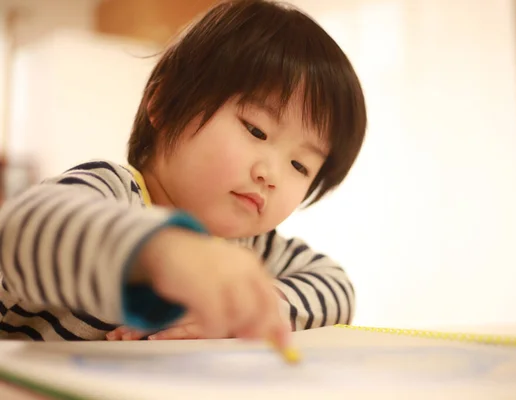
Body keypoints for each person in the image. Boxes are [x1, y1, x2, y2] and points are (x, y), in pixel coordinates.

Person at [0, 0, 366, 346]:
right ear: (163, 104)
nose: (271, 175)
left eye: (300, 165)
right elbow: (20, 230)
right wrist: (161, 252)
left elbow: (337, 288)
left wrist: (261, 305)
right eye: (256, 129)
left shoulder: (255, 248)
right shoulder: (113, 191)